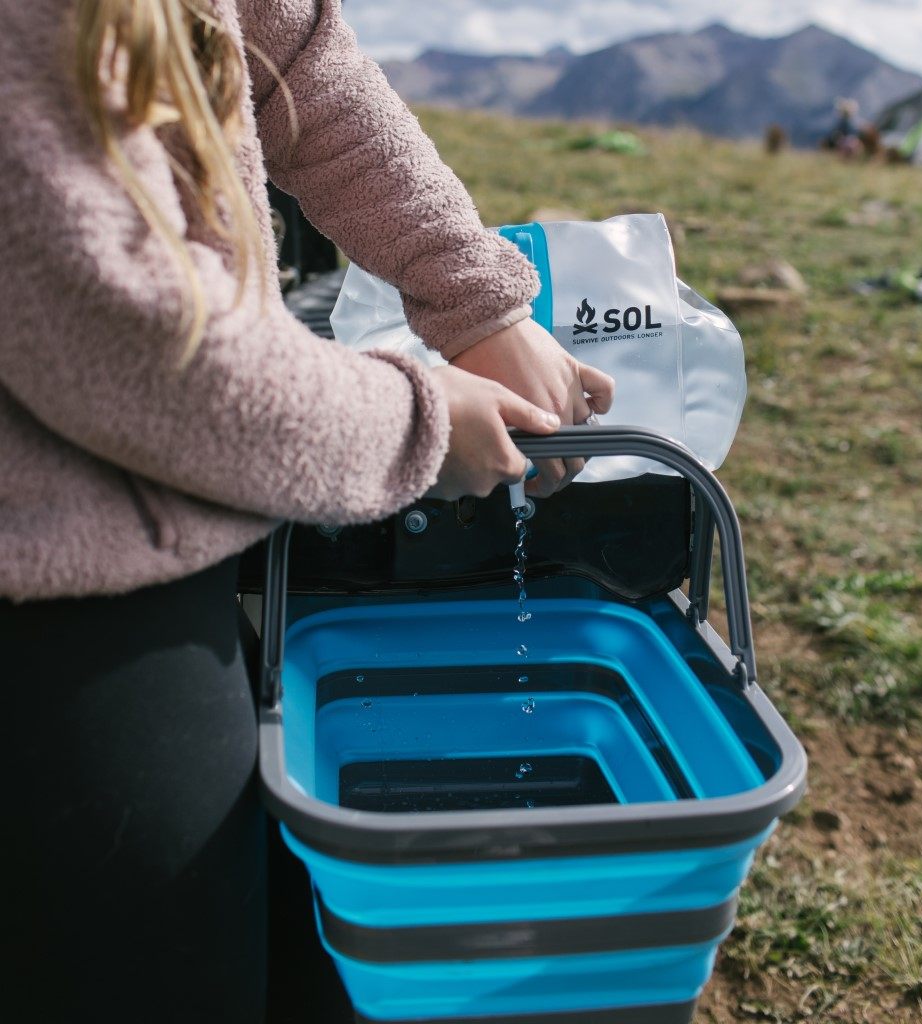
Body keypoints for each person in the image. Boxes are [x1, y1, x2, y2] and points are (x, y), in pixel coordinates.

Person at [0, 1, 614, 1020]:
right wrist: (419, 423)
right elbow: (141, 340)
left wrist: (480, 299)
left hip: (171, 538)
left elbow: (296, 60)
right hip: (46, 609)